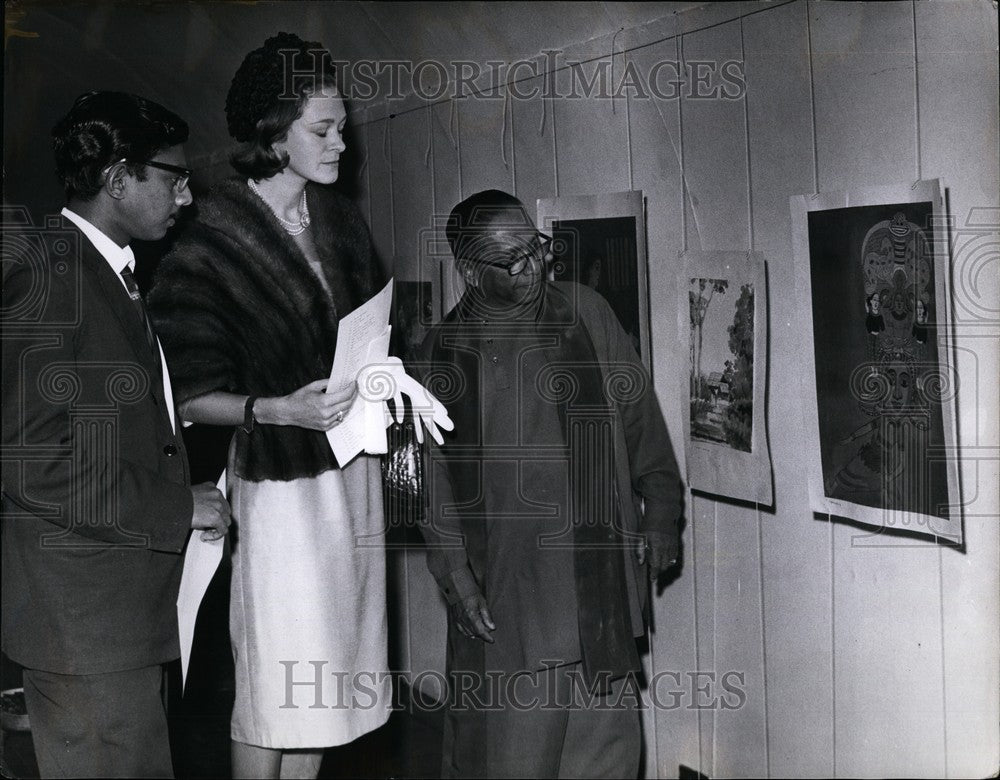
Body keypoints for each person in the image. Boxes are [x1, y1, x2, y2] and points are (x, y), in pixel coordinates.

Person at [147, 33, 430, 779]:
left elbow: (366, 334)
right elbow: (182, 395)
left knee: (329, 690)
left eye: (342, 127)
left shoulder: (339, 222)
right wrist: (275, 410)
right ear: (273, 135)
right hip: (277, 490)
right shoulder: (207, 236)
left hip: (352, 471)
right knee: (275, 688)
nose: (342, 144)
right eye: (323, 130)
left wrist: (382, 379)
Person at [1, 91, 231, 778]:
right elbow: (32, 461)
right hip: (86, 623)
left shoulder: (105, 273)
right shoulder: (53, 279)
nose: (185, 196)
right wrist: (177, 505)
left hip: (116, 615)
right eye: (174, 177)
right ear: (118, 179)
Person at [417, 189, 684, 778]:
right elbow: (428, 482)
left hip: (600, 601)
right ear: (469, 272)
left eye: (536, 251)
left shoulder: (587, 313)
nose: (533, 269)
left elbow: (641, 423)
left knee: (608, 764)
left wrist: (661, 511)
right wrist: (457, 580)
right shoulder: (440, 352)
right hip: (509, 610)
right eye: (512, 262)